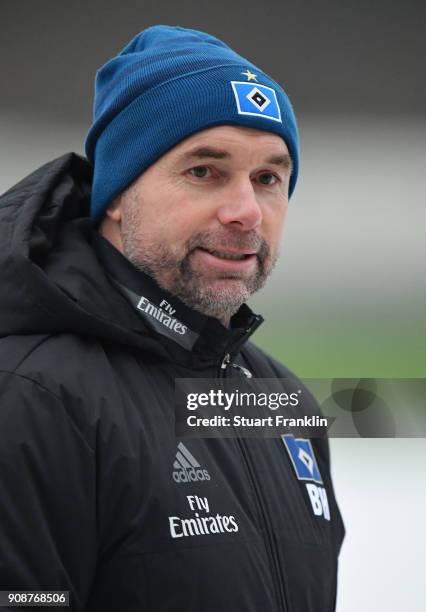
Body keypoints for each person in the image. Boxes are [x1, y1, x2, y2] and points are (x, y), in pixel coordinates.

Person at [0, 25, 345, 611]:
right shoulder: (31, 396)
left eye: (267, 178)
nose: (245, 212)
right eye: (203, 171)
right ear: (117, 192)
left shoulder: (279, 398)